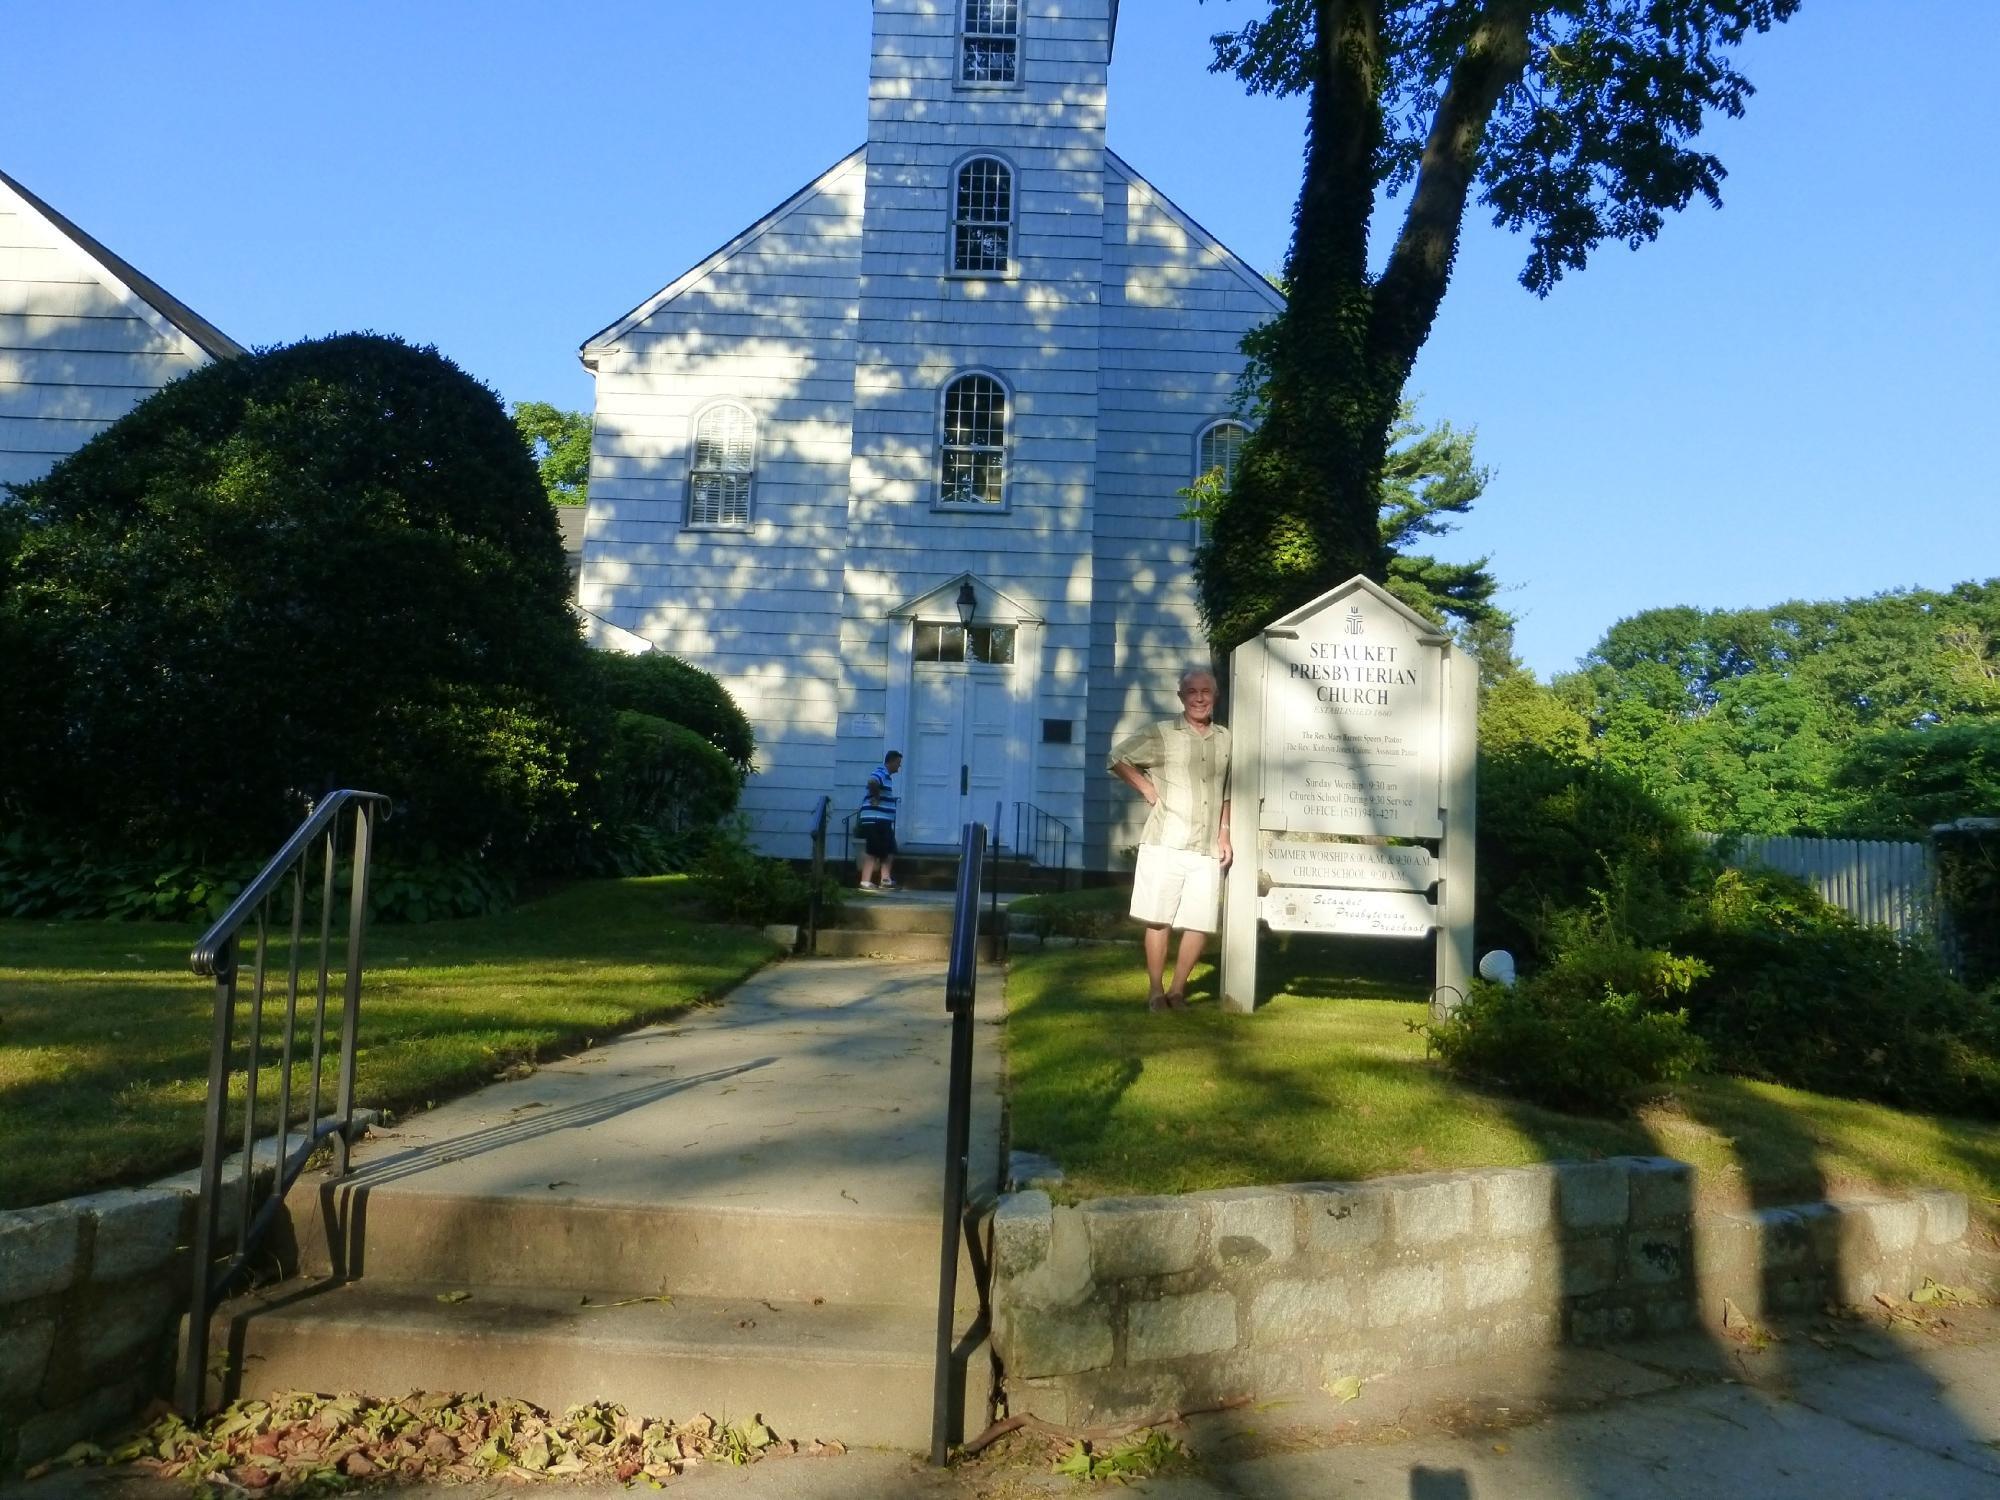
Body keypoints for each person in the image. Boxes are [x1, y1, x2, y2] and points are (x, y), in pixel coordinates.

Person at [1108, 667, 1232, 1011]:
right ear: (1181, 698)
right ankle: (1154, 991)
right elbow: (1117, 757)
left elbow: (1226, 791)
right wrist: (1146, 787)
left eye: (1206, 691)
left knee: (1200, 922)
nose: (1199, 698)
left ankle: (1177, 991)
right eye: (1192, 692)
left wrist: (1225, 833)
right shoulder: (1161, 734)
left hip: (1206, 847)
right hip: (1166, 842)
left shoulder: (1226, 739)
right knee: (1159, 917)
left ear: (1215, 697)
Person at [857, 750, 903, 892]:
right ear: (891, 761)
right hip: (876, 819)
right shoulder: (881, 771)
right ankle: (865, 882)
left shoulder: (887, 776)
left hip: (882, 820)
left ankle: (885, 879)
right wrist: (876, 797)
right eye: (898, 763)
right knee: (874, 850)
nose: (899, 767)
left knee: (889, 849)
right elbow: (872, 781)